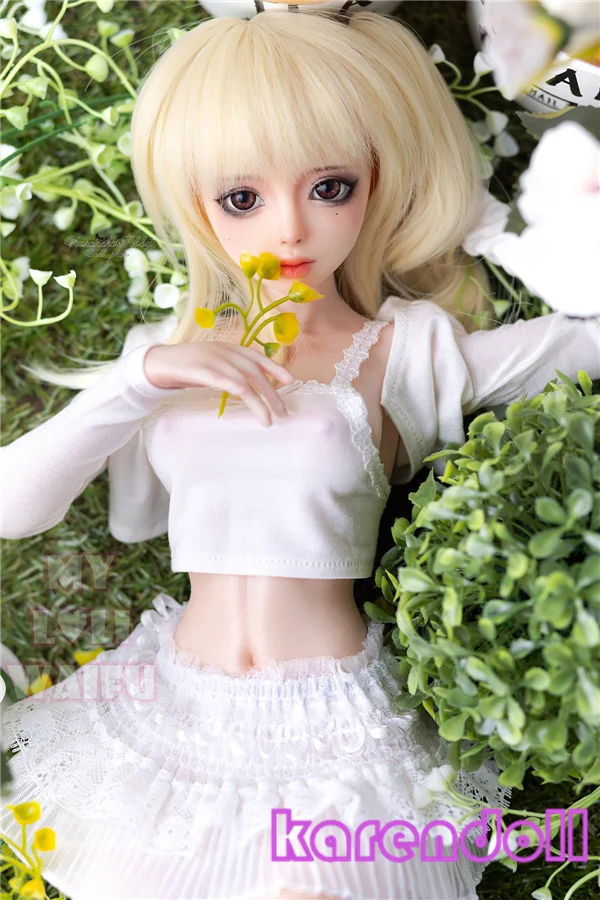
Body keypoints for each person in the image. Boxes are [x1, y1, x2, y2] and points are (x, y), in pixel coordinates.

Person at [1, 9, 599, 900]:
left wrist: (572, 99)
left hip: (335, 739)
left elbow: (585, 337)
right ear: (196, 202)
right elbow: (14, 508)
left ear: (375, 182)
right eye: (241, 198)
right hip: (171, 712)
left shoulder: (404, 351)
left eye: (329, 187)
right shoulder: (162, 357)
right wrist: (140, 380)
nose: (290, 229)